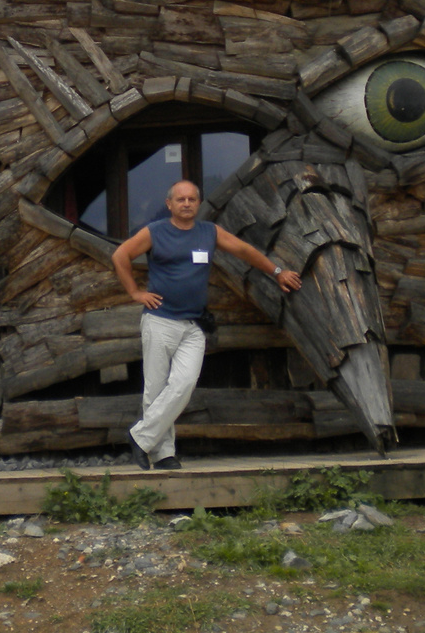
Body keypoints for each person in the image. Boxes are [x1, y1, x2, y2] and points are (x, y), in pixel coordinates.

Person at [110, 179, 302, 469]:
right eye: (180, 199)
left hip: (194, 324)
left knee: (183, 385)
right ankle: (163, 455)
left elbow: (244, 251)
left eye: (192, 199)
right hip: (160, 321)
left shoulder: (209, 232)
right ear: (169, 204)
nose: (186, 204)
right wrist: (135, 292)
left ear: (198, 204)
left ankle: (140, 437)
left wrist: (277, 271)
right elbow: (120, 255)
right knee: (155, 389)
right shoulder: (156, 231)